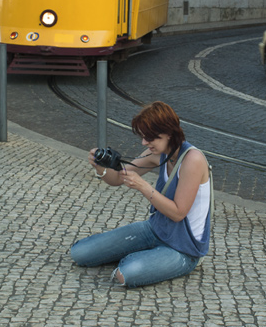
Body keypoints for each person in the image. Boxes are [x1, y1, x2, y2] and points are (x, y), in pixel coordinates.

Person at [70, 101, 212, 288]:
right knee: (80, 253)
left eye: (150, 138)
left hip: (183, 247)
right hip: (155, 229)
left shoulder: (193, 160)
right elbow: (118, 179)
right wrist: (100, 166)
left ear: (169, 133)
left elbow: (178, 213)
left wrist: (143, 186)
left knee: (126, 274)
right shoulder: (157, 152)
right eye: (143, 137)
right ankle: (148, 253)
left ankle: (154, 258)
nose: (144, 142)